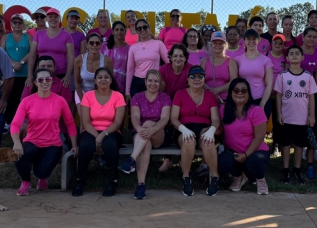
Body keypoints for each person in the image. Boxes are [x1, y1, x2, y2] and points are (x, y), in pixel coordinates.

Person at [10, 67, 78, 196]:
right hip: (32, 142)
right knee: (18, 154)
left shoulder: (60, 101)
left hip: (53, 144)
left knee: (41, 172)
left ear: (52, 81)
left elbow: (70, 123)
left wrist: (74, 145)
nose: (44, 82)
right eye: (40, 80)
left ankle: (42, 178)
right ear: (35, 82)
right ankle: (25, 182)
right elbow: (15, 124)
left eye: (48, 79)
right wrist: (16, 142)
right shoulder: (27, 101)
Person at [74, 67, 126, 197]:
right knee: (86, 145)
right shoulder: (88, 96)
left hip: (112, 131)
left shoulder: (118, 96)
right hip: (91, 130)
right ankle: (80, 180)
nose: (103, 80)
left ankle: (113, 181)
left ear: (110, 80)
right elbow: (85, 122)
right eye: (100, 77)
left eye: (106, 77)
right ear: (95, 81)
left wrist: (103, 134)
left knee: (111, 145)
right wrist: (97, 136)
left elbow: (118, 122)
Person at [120, 69, 172, 200]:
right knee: (145, 144)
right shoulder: (137, 97)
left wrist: (150, 129)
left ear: (160, 83)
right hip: (141, 134)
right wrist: (139, 129)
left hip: (159, 134)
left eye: (156, 81)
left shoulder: (165, 97)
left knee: (148, 123)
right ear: (145, 81)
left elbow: (165, 119)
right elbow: (135, 118)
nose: (153, 84)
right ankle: (140, 185)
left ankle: (132, 159)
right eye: (150, 80)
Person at [171, 66, 221, 196]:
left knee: (208, 142)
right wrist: (183, 129)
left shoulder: (210, 96)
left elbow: (215, 119)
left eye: (200, 76)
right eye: (193, 76)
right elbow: (174, 119)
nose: (196, 79)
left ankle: (215, 177)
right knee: (188, 141)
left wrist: (212, 130)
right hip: (184, 129)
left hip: (204, 128)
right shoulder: (180, 94)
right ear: (188, 79)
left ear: (204, 79)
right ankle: (186, 177)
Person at [218, 78, 271, 195]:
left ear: (248, 93)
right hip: (233, 152)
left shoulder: (256, 110)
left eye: (243, 90)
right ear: (230, 92)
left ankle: (260, 178)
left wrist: (246, 155)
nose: (240, 93)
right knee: (223, 161)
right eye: (236, 90)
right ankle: (239, 176)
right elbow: (220, 130)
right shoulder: (223, 109)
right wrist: (208, 130)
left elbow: (259, 137)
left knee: (255, 162)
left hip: (256, 151)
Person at [275, 45, 316, 185]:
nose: (294, 55)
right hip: (286, 116)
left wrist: (312, 115)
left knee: (299, 144)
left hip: (302, 117)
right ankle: (285, 169)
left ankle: (296, 169)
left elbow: (311, 97)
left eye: (297, 53)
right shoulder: (282, 76)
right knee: (285, 144)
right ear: (286, 58)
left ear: (302, 57)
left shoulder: (308, 76)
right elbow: (279, 96)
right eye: (291, 54)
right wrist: (279, 113)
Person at [28, 8, 74, 105]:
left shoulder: (66, 35)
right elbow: (32, 55)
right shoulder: (38, 34)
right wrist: (30, 75)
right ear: (47, 19)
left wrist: (67, 75)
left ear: (59, 19)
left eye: (55, 17)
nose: (53, 19)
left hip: (61, 74)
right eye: (50, 17)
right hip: (41, 74)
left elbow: (70, 56)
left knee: (62, 102)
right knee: (42, 101)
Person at [126, 18, 169, 99]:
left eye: (144, 27)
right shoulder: (133, 48)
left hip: (154, 82)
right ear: (136, 31)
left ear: (149, 28)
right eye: (139, 28)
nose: (142, 30)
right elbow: (130, 70)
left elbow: (169, 63)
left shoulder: (158, 44)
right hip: (138, 82)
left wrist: (163, 80)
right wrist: (127, 92)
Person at [0, 13, 31, 125]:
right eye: (15, 22)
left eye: (20, 22)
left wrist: (21, 62)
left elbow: (33, 52)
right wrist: (12, 63)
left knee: (21, 99)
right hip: (9, 73)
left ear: (23, 25)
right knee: (9, 98)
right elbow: (1, 53)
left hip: (24, 73)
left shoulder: (28, 37)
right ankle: (7, 122)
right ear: (11, 24)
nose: (17, 24)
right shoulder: (5, 37)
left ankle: (20, 122)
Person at [236, 29, 273, 118]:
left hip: (261, 99)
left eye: (254, 39)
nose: (251, 42)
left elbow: (269, 84)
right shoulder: (237, 60)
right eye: (248, 39)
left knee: (260, 131)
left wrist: (262, 104)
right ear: (244, 41)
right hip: (243, 101)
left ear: (258, 40)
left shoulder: (266, 60)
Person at [201, 30, 238, 103]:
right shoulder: (204, 61)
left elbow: (234, 82)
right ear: (211, 45)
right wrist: (210, 91)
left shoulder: (231, 61)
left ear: (225, 45)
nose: (218, 45)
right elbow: (200, 80)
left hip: (225, 100)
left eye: (221, 43)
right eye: (215, 43)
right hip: (207, 98)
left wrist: (216, 90)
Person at [74, 32, 113, 101]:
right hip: (82, 92)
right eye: (91, 43)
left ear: (101, 45)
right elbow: (77, 83)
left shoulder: (107, 60)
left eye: (97, 43)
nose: (94, 45)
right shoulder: (79, 60)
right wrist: (83, 99)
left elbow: (110, 81)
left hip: (101, 92)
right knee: (84, 111)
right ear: (87, 45)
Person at [102, 21, 130, 95]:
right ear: (113, 32)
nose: (119, 32)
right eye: (117, 30)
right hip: (105, 82)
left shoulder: (129, 48)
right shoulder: (104, 46)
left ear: (125, 32)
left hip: (122, 85)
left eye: (121, 29)